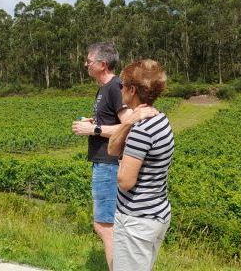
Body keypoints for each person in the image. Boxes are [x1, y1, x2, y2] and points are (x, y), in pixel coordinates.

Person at [72, 42, 157, 270]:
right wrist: (95, 123)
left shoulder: (114, 87)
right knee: (106, 225)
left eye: (88, 61)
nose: (85, 65)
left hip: (109, 165)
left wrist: (94, 130)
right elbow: (117, 122)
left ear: (102, 64)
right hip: (103, 163)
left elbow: (129, 125)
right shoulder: (105, 89)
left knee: (106, 226)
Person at [109, 59, 174, 271]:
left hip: (136, 220)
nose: (120, 89)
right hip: (156, 213)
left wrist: (129, 124)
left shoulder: (141, 130)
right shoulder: (160, 120)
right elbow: (112, 150)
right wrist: (128, 121)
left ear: (132, 89)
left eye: (122, 85)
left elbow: (125, 181)